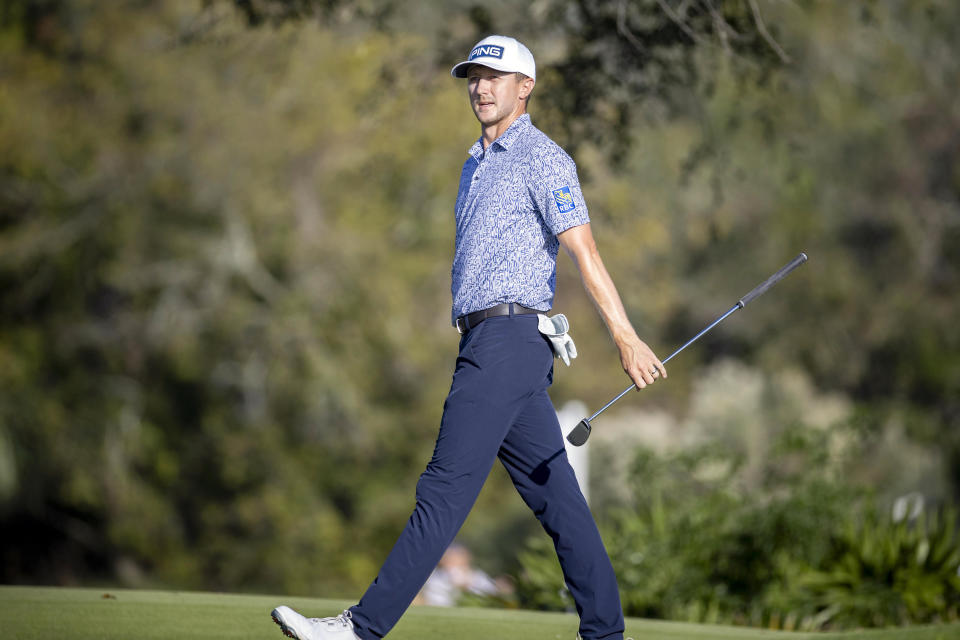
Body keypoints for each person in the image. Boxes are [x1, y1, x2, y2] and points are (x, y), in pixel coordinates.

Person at [271, 34, 665, 640]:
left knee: (444, 490)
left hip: (510, 341)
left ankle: (359, 629)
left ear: (525, 87)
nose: (481, 87)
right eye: (474, 77)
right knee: (559, 502)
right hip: (485, 345)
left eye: (495, 77)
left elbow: (583, 251)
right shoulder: (474, 160)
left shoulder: (545, 158)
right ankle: (607, 635)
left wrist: (626, 336)